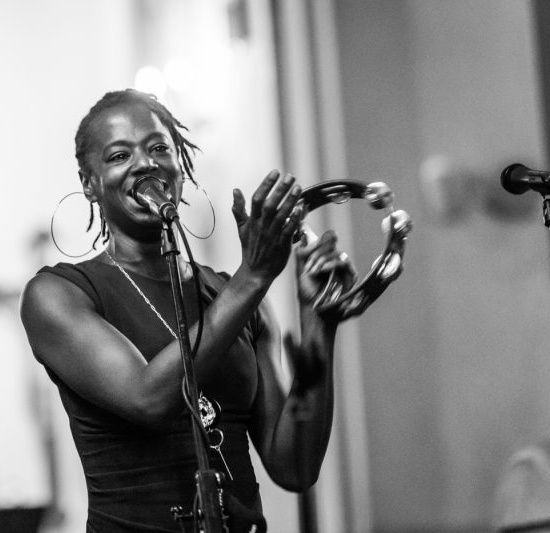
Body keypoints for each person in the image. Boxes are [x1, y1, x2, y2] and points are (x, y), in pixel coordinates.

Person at [20, 89, 354, 532]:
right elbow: (148, 399)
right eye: (119, 155)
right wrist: (252, 278)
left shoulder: (231, 295)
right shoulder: (58, 294)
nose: (145, 163)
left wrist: (319, 318)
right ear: (90, 183)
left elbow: (296, 465)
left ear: (181, 165)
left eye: (160, 148)